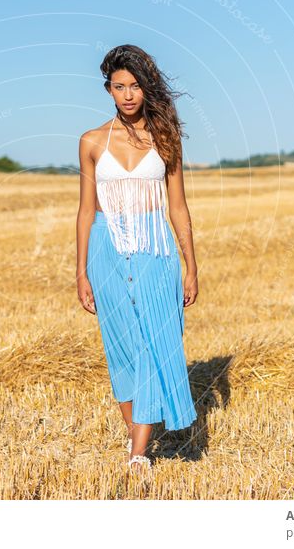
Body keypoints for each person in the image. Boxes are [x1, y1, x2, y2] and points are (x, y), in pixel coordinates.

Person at [75, 45, 199, 474]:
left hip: (155, 250)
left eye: (134, 86)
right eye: (118, 86)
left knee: (153, 346)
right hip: (105, 249)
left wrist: (191, 265)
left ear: (147, 87)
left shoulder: (166, 139)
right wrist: (81, 272)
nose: (127, 95)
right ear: (108, 89)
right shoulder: (91, 142)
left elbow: (178, 207)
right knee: (122, 349)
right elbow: (85, 210)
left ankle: (138, 454)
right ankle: (138, 436)